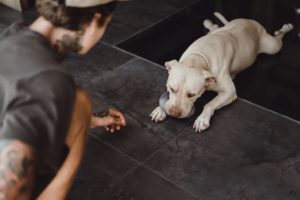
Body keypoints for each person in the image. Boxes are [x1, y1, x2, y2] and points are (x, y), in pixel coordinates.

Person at [0, 0, 126, 199]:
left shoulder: (11, 37)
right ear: (95, 21)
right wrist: (82, 120)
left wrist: (94, 119)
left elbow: (21, 104)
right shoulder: (49, 81)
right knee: (80, 101)